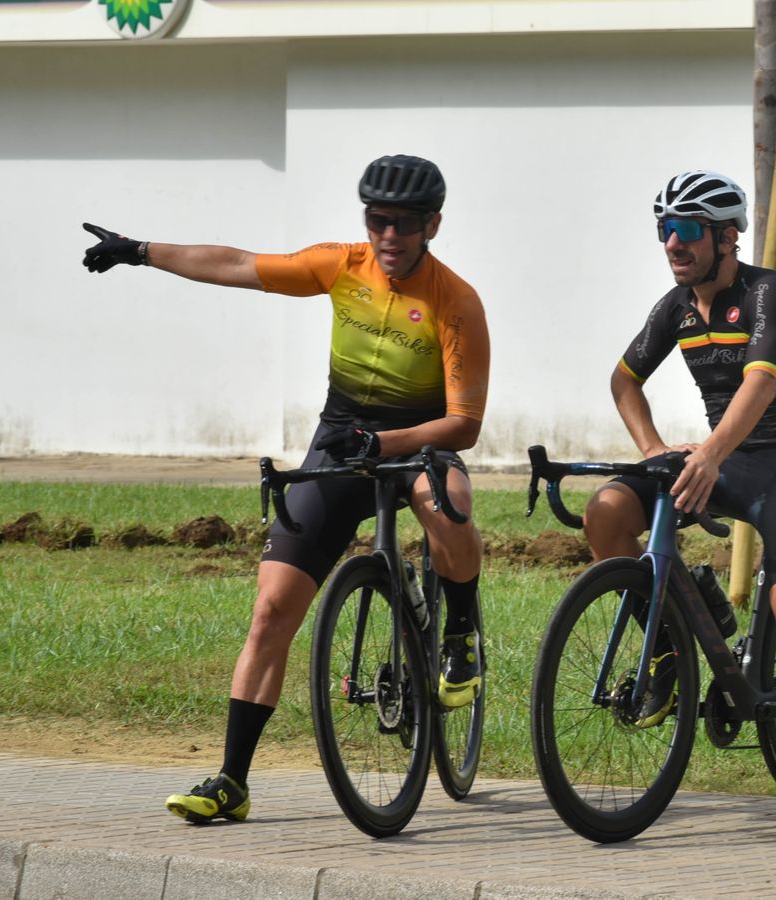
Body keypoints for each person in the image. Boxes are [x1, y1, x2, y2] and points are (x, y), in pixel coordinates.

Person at [80, 155, 491, 824]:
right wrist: (142, 251)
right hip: (341, 440)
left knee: (451, 504)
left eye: (404, 223)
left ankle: (462, 634)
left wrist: (387, 443)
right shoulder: (341, 266)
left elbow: (465, 423)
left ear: (432, 226)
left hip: (419, 440)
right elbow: (239, 264)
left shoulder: (456, 300)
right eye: (377, 220)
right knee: (271, 608)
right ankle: (232, 780)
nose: (388, 235)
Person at [583, 170, 776, 841]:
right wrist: (654, 451)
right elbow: (624, 380)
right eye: (664, 228)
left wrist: (708, 454)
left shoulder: (767, 293)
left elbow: (760, 384)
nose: (672, 243)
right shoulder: (676, 307)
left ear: (727, 237)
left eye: (687, 229)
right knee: (608, 511)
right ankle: (672, 642)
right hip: (722, 454)